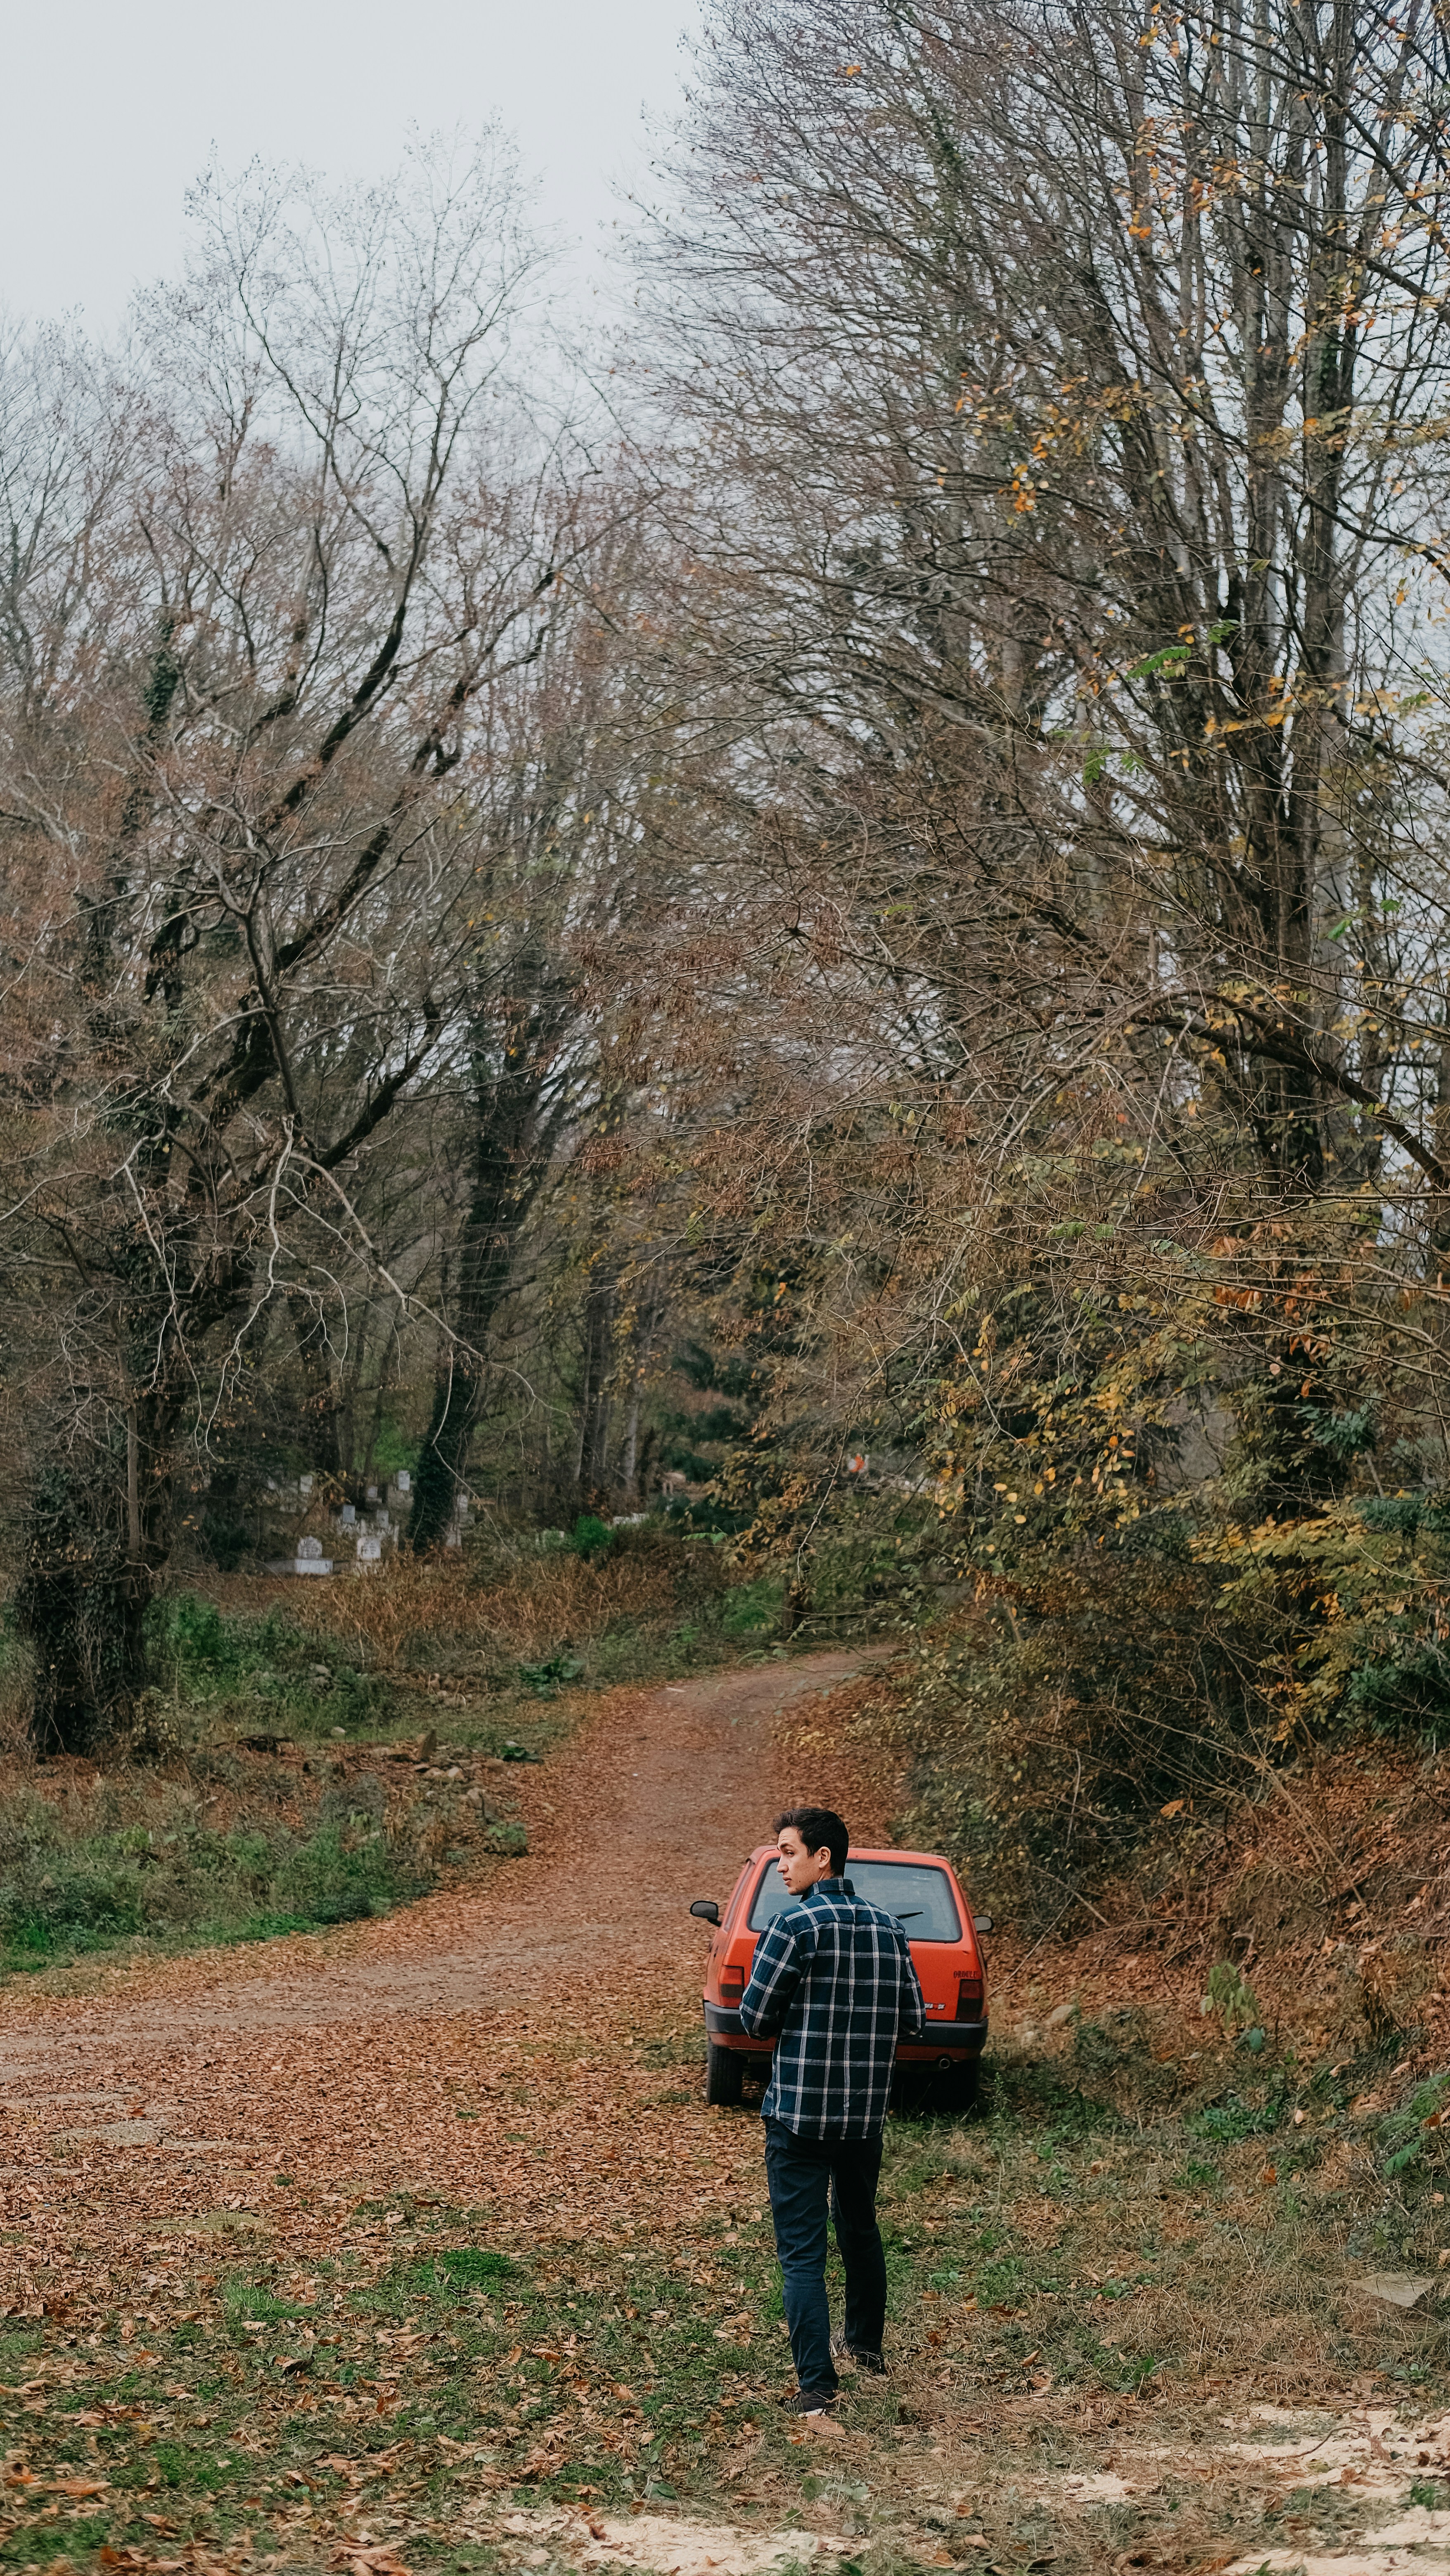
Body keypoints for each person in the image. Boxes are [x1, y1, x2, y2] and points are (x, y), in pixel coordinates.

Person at [738, 1804, 924, 2417]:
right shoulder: (890, 1930)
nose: (780, 1866)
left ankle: (817, 2386)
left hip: (798, 2117)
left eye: (789, 1853)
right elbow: (915, 2023)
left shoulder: (794, 1928)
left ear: (824, 1858)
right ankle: (866, 2349)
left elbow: (755, 2018)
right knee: (861, 2230)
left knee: (801, 2253)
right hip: (863, 2119)